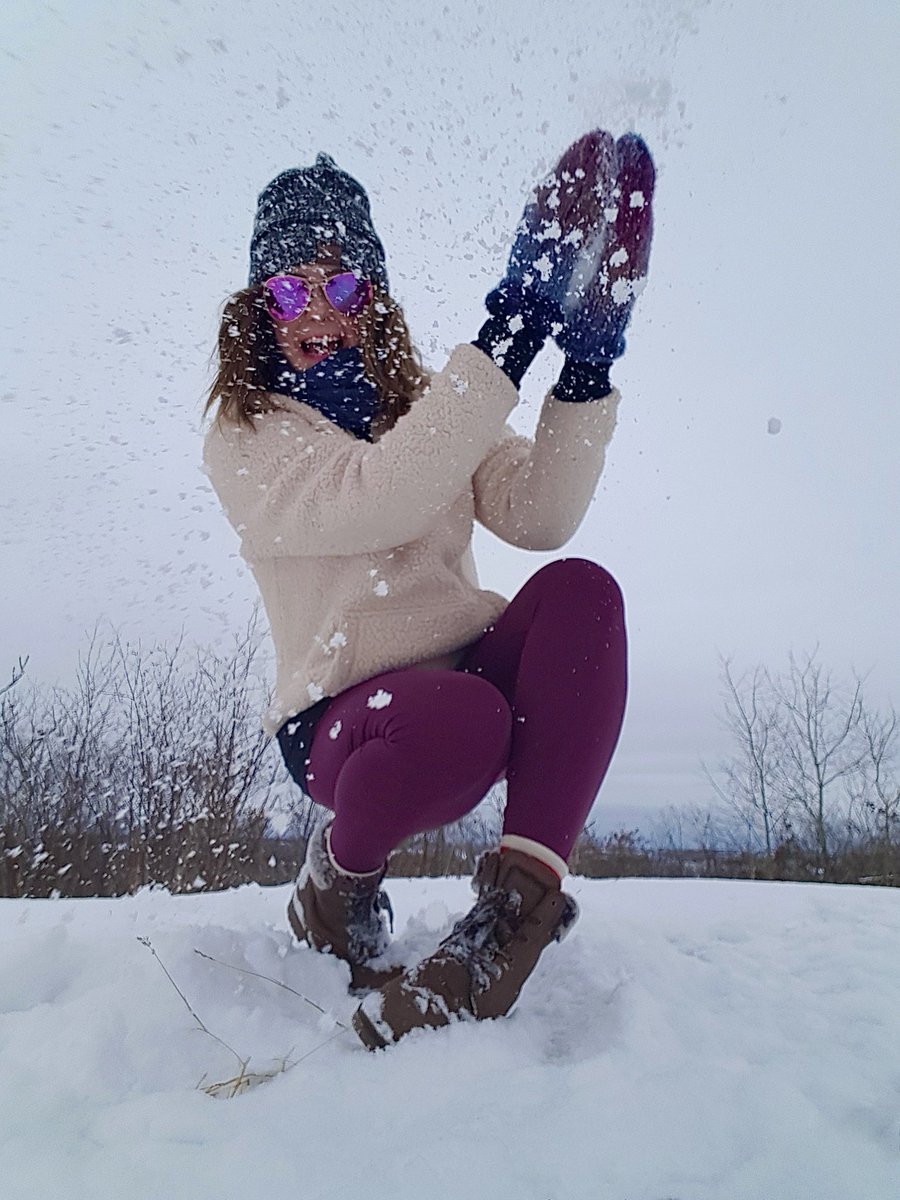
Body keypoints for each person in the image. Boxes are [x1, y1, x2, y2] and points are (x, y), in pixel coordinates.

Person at [203, 132, 655, 1050]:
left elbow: (539, 514)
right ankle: (340, 883)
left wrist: (586, 365)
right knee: (457, 718)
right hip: (341, 715)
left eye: (342, 287)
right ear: (259, 306)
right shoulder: (246, 435)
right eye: (291, 289)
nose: (318, 313)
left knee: (583, 595)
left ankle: (509, 922)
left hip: (464, 674)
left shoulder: (423, 409)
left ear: (372, 300)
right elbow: (382, 498)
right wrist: (509, 330)